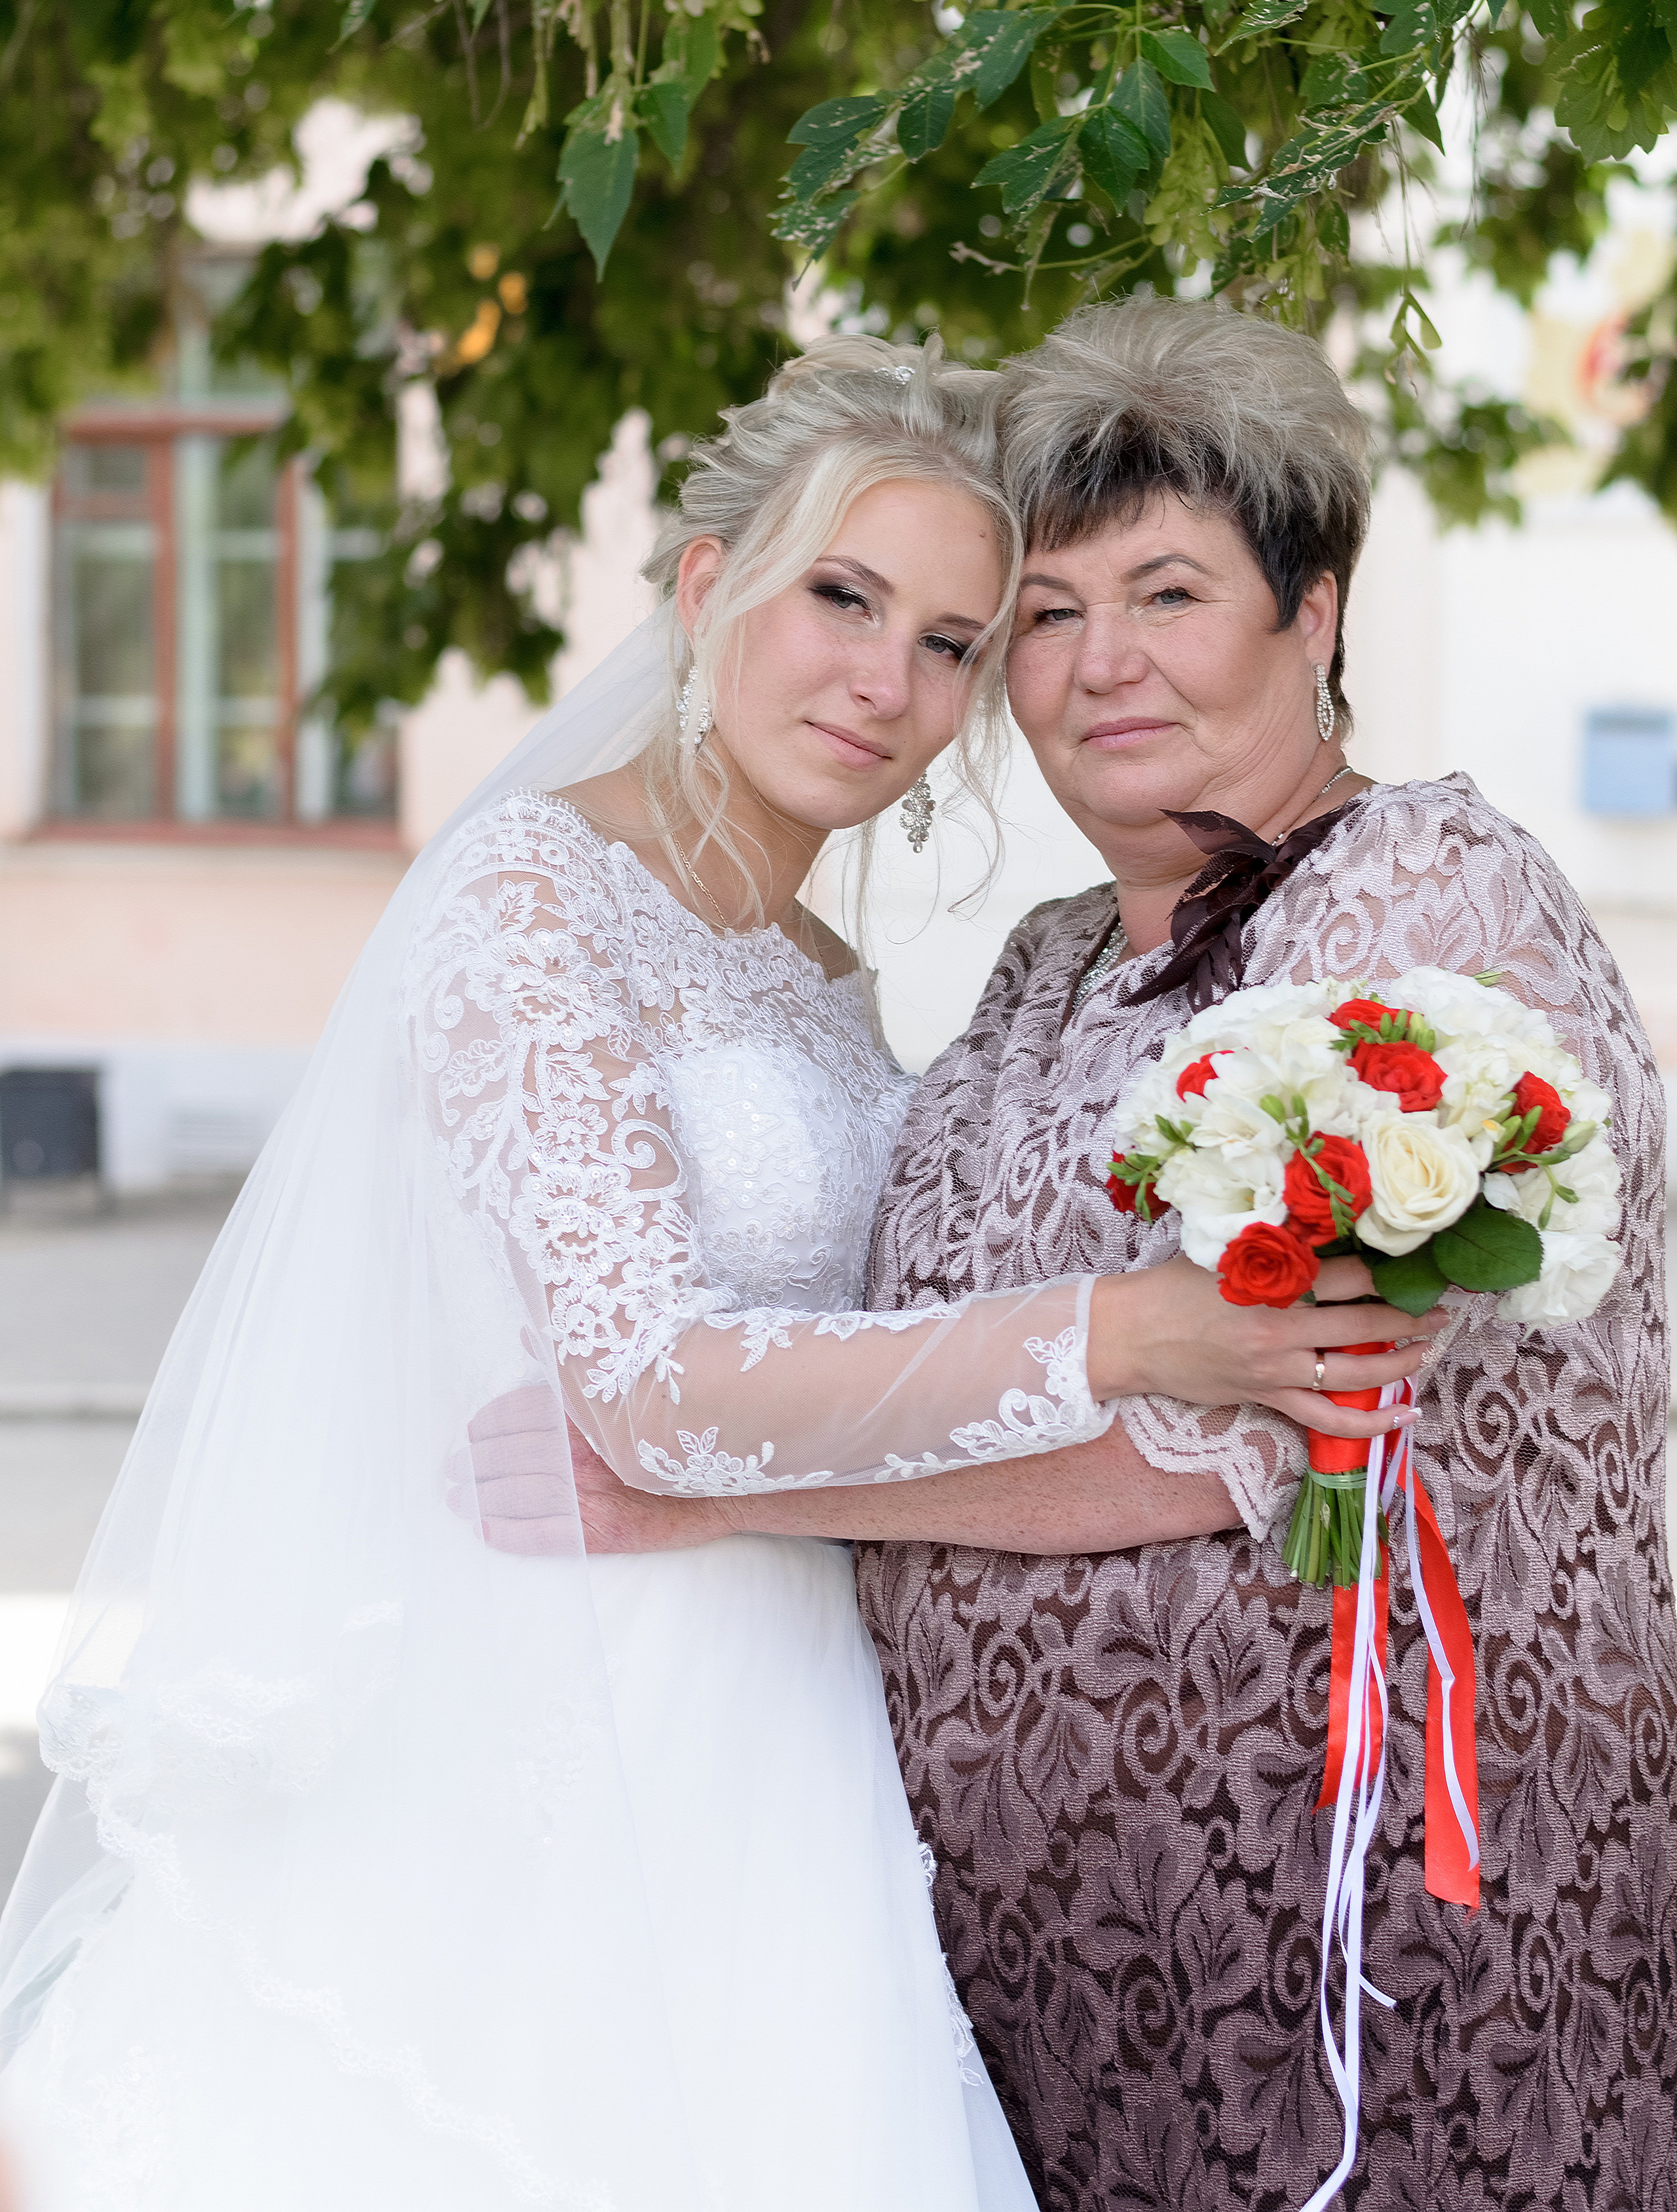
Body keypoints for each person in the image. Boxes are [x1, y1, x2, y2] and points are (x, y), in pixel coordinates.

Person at [0, 335, 1425, 2212]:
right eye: (843, 595)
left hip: (787, 1721)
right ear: (706, 587)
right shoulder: (533, 898)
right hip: (551, 1694)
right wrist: (1127, 1332)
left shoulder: (837, 993)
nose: (884, 681)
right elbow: (654, 1383)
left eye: (947, 641)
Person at [573, 300, 1677, 2210]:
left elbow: (1249, 1433)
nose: (1099, 667)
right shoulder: (1043, 966)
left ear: (1312, 613)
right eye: (1048, 617)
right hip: (1044, 1996)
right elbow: (938, 1347)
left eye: (1167, 591)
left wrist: (716, 1489)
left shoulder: (1421, 891)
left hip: (1364, 1960)